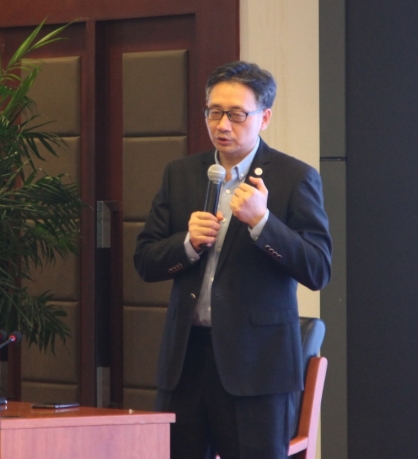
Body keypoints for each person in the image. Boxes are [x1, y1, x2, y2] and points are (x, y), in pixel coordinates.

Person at [133, 61, 332, 459]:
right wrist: (186, 244)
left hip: (256, 369)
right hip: (185, 362)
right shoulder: (181, 174)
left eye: (237, 114)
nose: (223, 125)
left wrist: (263, 223)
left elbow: (317, 269)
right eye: (214, 112)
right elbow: (145, 260)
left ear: (264, 118)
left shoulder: (294, 177)